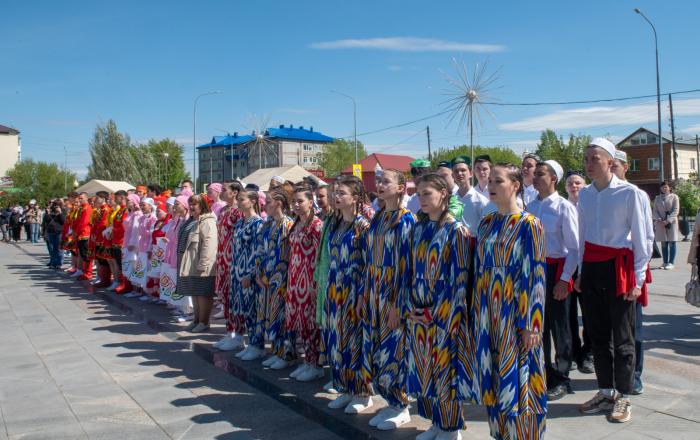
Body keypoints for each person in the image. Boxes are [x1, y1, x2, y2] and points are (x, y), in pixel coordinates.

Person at [576, 138, 653, 423]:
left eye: (595, 158)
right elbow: (583, 234)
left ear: (611, 161)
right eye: (586, 159)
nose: (589, 164)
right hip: (593, 268)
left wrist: (639, 278)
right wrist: (582, 272)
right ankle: (605, 390)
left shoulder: (630, 194)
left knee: (623, 336)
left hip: (619, 268)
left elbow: (643, 237)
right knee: (597, 334)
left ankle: (624, 395)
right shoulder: (584, 195)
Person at [469, 163, 547, 439]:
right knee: (494, 376)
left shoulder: (530, 224)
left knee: (520, 379)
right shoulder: (486, 223)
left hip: (515, 313)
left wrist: (532, 324)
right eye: (490, 180)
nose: (491, 185)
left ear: (515, 186)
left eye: (498, 181)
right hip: (487, 312)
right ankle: (499, 433)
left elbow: (535, 275)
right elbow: (479, 270)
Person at [406, 173, 472, 440]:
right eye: (419, 194)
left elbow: (460, 280)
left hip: (444, 315)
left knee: (445, 370)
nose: (422, 199)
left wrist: (436, 312)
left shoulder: (457, 230)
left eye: (427, 194)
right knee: (424, 368)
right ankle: (435, 421)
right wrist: (412, 306)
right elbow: (409, 270)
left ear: (443, 194)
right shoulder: (419, 229)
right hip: (418, 311)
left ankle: (450, 427)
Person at [359, 168, 414, 431]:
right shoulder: (378, 218)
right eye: (378, 181)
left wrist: (397, 304)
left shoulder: (406, 220)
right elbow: (369, 259)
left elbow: (406, 267)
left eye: (386, 181)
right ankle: (390, 401)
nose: (379, 185)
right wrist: (364, 293)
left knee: (395, 350)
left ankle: (402, 406)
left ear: (401, 188)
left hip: (393, 296)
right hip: (374, 294)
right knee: (378, 350)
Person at [528, 160, 579, 401]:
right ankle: (543, 372)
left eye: (540, 174)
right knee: (538, 326)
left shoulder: (563, 207)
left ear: (553, 179)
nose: (535, 178)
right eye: (534, 174)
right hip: (534, 272)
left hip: (555, 270)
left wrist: (564, 279)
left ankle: (562, 377)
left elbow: (574, 249)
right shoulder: (529, 206)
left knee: (560, 327)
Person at [324, 176, 373, 414]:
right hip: (335, 289)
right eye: (334, 193)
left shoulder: (363, 226)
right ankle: (344, 387)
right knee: (336, 338)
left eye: (341, 193)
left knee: (354, 340)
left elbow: (369, 263)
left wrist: (363, 295)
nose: (336, 197)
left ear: (355, 198)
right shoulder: (335, 223)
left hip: (354, 290)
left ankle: (362, 393)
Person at [285, 185, 323, 382]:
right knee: (300, 322)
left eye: (300, 201)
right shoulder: (295, 224)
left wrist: (315, 284)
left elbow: (319, 257)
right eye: (294, 201)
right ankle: (307, 361)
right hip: (295, 276)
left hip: (309, 280)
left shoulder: (316, 225)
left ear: (311, 202)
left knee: (310, 323)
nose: (296, 205)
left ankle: (315, 363)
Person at [255, 187, 294, 369]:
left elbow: (287, 256)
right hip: (267, 279)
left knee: (282, 318)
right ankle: (276, 350)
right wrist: (259, 273)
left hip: (282, 279)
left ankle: (286, 354)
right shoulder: (268, 223)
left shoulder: (288, 224)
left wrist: (281, 279)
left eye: (269, 201)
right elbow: (261, 250)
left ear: (279, 203)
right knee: (271, 316)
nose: (265, 205)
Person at [564, 170, 595, 374]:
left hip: (586, 265)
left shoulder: (590, 206)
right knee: (568, 315)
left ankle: (589, 353)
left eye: (578, 183)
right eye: (570, 184)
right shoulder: (562, 206)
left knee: (590, 312)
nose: (574, 186)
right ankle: (573, 352)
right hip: (566, 266)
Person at [229, 189, 265, 360]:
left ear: (252, 201)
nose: (238, 202)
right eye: (238, 199)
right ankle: (251, 343)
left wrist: (250, 274)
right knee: (243, 309)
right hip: (237, 271)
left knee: (253, 310)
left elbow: (258, 251)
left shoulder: (258, 223)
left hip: (248, 274)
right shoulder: (240, 222)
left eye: (242, 199)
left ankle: (257, 345)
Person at [178, 194, 218, 333]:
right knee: (194, 293)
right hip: (190, 263)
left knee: (203, 294)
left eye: (195, 204)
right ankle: (196, 320)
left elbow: (210, 244)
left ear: (203, 206)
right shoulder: (191, 221)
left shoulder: (207, 221)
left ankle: (204, 322)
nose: (191, 207)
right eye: (190, 204)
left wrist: (204, 263)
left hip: (201, 264)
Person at [213, 182, 245, 351]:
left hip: (234, 259)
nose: (222, 192)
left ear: (234, 192)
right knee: (225, 296)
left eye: (225, 190)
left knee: (234, 298)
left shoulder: (238, 212)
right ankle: (229, 332)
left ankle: (238, 335)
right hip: (222, 259)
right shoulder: (223, 210)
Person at [451, 156, 496, 233]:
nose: (459, 173)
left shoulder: (482, 201)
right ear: (452, 175)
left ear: (471, 173)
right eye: (456, 171)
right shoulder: (452, 200)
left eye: (463, 170)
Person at [653, 181, 680, 270]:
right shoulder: (657, 198)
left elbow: (676, 210)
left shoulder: (674, 197)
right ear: (660, 188)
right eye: (663, 187)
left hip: (671, 223)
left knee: (672, 242)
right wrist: (658, 218)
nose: (664, 188)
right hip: (661, 223)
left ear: (669, 188)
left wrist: (668, 220)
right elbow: (655, 211)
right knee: (664, 243)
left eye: (666, 187)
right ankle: (665, 262)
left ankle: (671, 262)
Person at [73, 192, 94, 280]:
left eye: (81, 198)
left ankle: (88, 272)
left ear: (86, 198)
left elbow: (84, 222)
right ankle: (84, 271)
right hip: (80, 233)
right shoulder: (81, 208)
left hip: (85, 233)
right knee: (82, 253)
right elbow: (77, 221)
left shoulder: (87, 208)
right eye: (79, 198)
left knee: (86, 254)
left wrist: (77, 232)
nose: (80, 200)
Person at [44, 201, 65, 269]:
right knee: (52, 249)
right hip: (51, 232)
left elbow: (63, 221)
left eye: (56, 206)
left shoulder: (62, 212)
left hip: (59, 232)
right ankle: (53, 263)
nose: (55, 207)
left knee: (59, 248)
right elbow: (46, 221)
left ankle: (59, 263)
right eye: (54, 206)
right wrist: (47, 213)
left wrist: (60, 212)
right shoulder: (50, 212)